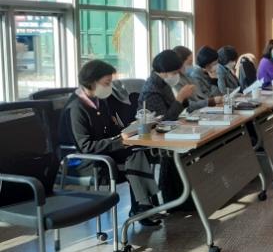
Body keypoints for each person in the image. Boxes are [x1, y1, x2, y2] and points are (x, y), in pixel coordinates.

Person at [59, 60, 161, 226]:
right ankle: (144, 206)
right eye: (107, 83)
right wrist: (120, 141)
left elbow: (111, 130)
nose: (110, 87)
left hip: (104, 154)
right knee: (133, 156)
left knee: (136, 151)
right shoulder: (76, 108)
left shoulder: (99, 101)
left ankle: (144, 206)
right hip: (84, 161)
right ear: (92, 82)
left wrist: (129, 131)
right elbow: (85, 147)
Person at [140, 49, 195, 120]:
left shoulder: (164, 83)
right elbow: (164, 120)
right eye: (174, 73)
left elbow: (174, 110)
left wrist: (184, 98)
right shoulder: (151, 91)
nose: (177, 76)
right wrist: (180, 98)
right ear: (163, 71)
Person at [172, 46, 220, 112]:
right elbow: (188, 105)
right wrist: (211, 101)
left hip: (201, 111)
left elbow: (202, 97)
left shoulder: (188, 77)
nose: (192, 65)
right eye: (190, 62)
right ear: (180, 62)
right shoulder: (175, 80)